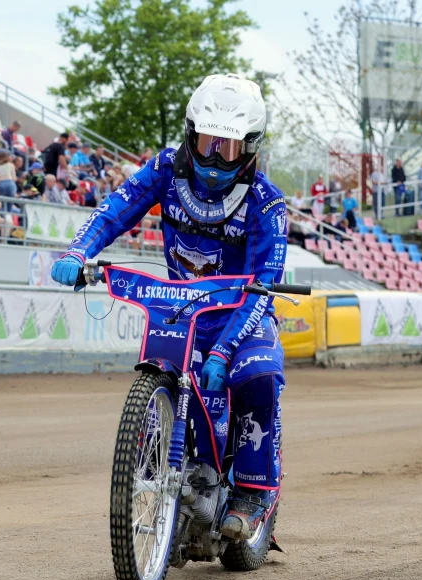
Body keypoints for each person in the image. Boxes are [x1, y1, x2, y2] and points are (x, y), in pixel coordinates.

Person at [50, 74, 289, 542]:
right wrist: (79, 251)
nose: (214, 158)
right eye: (206, 142)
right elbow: (116, 210)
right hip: (182, 314)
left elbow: (264, 288)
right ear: (189, 132)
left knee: (257, 373)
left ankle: (252, 492)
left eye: (228, 148)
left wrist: (225, 349)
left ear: (251, 147)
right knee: (173, 373)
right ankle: (163, 467)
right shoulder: (164, 169)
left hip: (242, 316)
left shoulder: (267, 203)